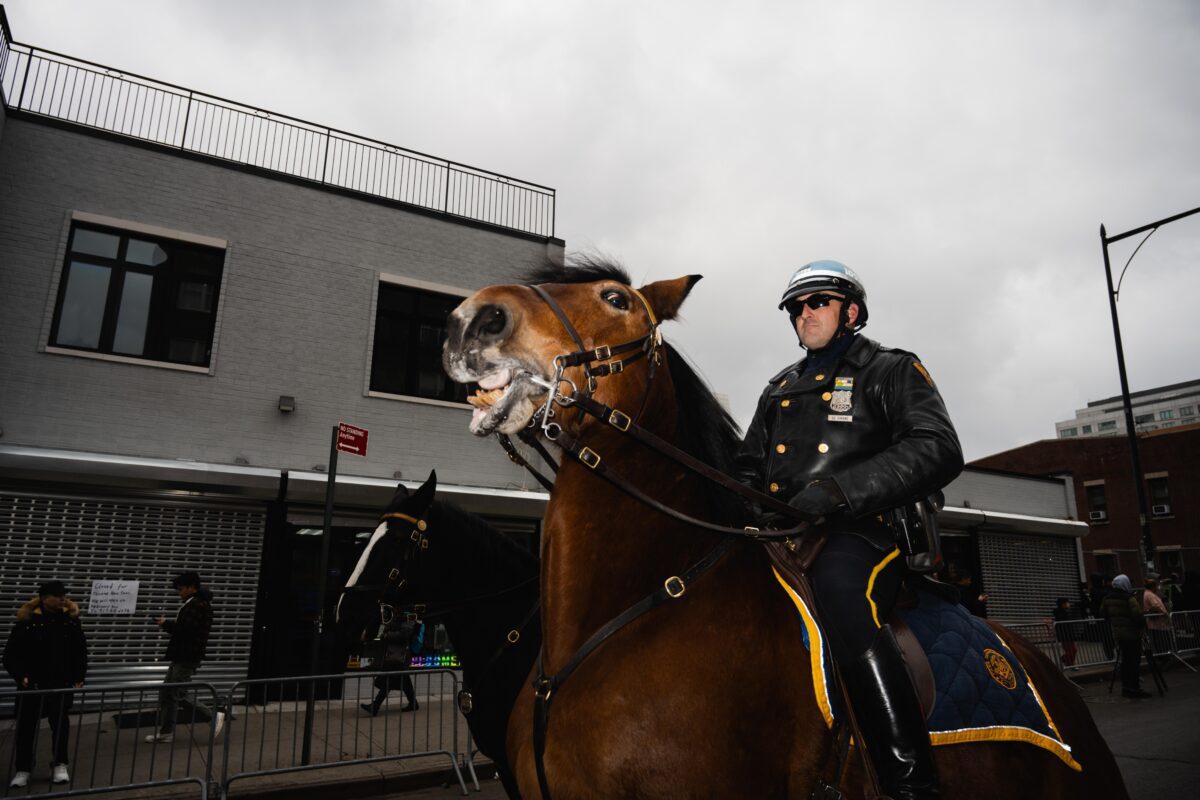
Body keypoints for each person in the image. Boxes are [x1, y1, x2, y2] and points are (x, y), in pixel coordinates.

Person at [736, 261, 963, 800]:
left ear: (851, 311)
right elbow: (747, 466)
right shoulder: (779, 388)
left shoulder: (890, 370)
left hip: (863, 533)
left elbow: (936, 447)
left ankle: (911, 782)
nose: (804, 313)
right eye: (796, 307)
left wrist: (838, 493)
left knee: (841, 597)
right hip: (779, 535)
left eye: (816, 302)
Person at [3, 581, 88, 788]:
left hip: (59, 683)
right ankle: (23, 768)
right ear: (44, 598)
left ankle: (59, 764)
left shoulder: (70, 621)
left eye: (63, 595)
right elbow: (10, 655)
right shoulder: (27, 621)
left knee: (60, 725)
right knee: (25, 728)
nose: (62, 599)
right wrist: (20, 675)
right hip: (31, 685)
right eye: (57, 595)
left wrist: (78, 676)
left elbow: (80, 651)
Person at [145, 572, 219, 743]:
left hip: (187, 655)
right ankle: (166, 732)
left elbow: (186, 631)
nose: (179, 593)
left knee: (178, 692)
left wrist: (166, 624)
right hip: (181, 655)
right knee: (166, 693)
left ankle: (213, 716)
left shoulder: (197, 605)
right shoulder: (193, 603)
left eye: (181, 589)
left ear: (192, 587)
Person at [1101, 574, 1150, 699]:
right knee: (1134, 662)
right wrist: (1143, 623)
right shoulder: (1129, 598)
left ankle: (1126, 687)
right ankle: (1134, 688)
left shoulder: (1107, 598)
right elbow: (1137, 616)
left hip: (1118, 634)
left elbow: (1103, 613)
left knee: (1125, 661)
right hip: (1132, 634)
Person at [361, 619, 425, 715]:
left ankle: (375, 706)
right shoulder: (396, 615)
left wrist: (387, 635)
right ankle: (413, 703)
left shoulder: (407, 616)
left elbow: (404, 635)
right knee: (404, 682)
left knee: (389, 681)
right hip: (394, 654)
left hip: (400, 655)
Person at [1141, 577, 1170, 657]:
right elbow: (1155, 605)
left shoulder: (1148, 593)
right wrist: (1164, 613)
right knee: (1161, 639)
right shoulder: (1150, 595)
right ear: (1153, 586)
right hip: (1158, 622)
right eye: (1156, 586)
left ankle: (1162, 654)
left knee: (1159, 639)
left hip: (1156, 622)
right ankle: (1163, 655)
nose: (1157, 588)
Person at [1052, 597, 1077, 667]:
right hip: (1064, 635)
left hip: (1069, 635)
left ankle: (1068, 662)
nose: (1068, 604)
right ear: (1062, 604)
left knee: (1073, 650)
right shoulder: (1060, 613)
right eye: (1066, 603)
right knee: (1071, 650)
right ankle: (1069, 662)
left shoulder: (1065, 612)